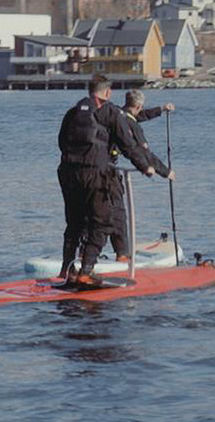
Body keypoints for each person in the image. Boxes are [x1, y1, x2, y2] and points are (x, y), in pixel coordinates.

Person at [55, 75, 173, 288]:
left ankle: (67, 269)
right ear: (108, 93)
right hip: (96, 174)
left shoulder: (72, 112)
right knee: (103, 221)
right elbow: (128, 145)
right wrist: (146, 167)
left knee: (75, 223)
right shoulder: (111, 112)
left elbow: (61, 142)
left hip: (67, 173)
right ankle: (86, 271)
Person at [103, 90, 177, 262]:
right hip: (107, 171)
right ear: (138, 106)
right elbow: (142, 152)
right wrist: (165, 172)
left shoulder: (119, 115)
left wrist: (160, 109)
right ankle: (122, 255)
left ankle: (84, 252)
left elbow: (136, 116)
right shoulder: (129, 124)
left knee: (95, 211)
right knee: (118, 213)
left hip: (92, 167)